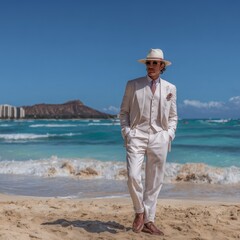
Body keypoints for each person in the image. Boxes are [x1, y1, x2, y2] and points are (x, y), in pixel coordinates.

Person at [119, 48, 178, 235]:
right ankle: (139, 212)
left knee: (154, 181)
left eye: (154, 63)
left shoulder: (170, 88)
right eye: (148, 63)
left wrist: (169, 134)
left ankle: (149, 221)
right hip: (136, 135)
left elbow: (173, 116)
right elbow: (124, 112)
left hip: (159, 137)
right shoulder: (132, 85)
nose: (150, 66)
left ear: (162, 66)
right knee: (133, 176)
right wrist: (127, 132)